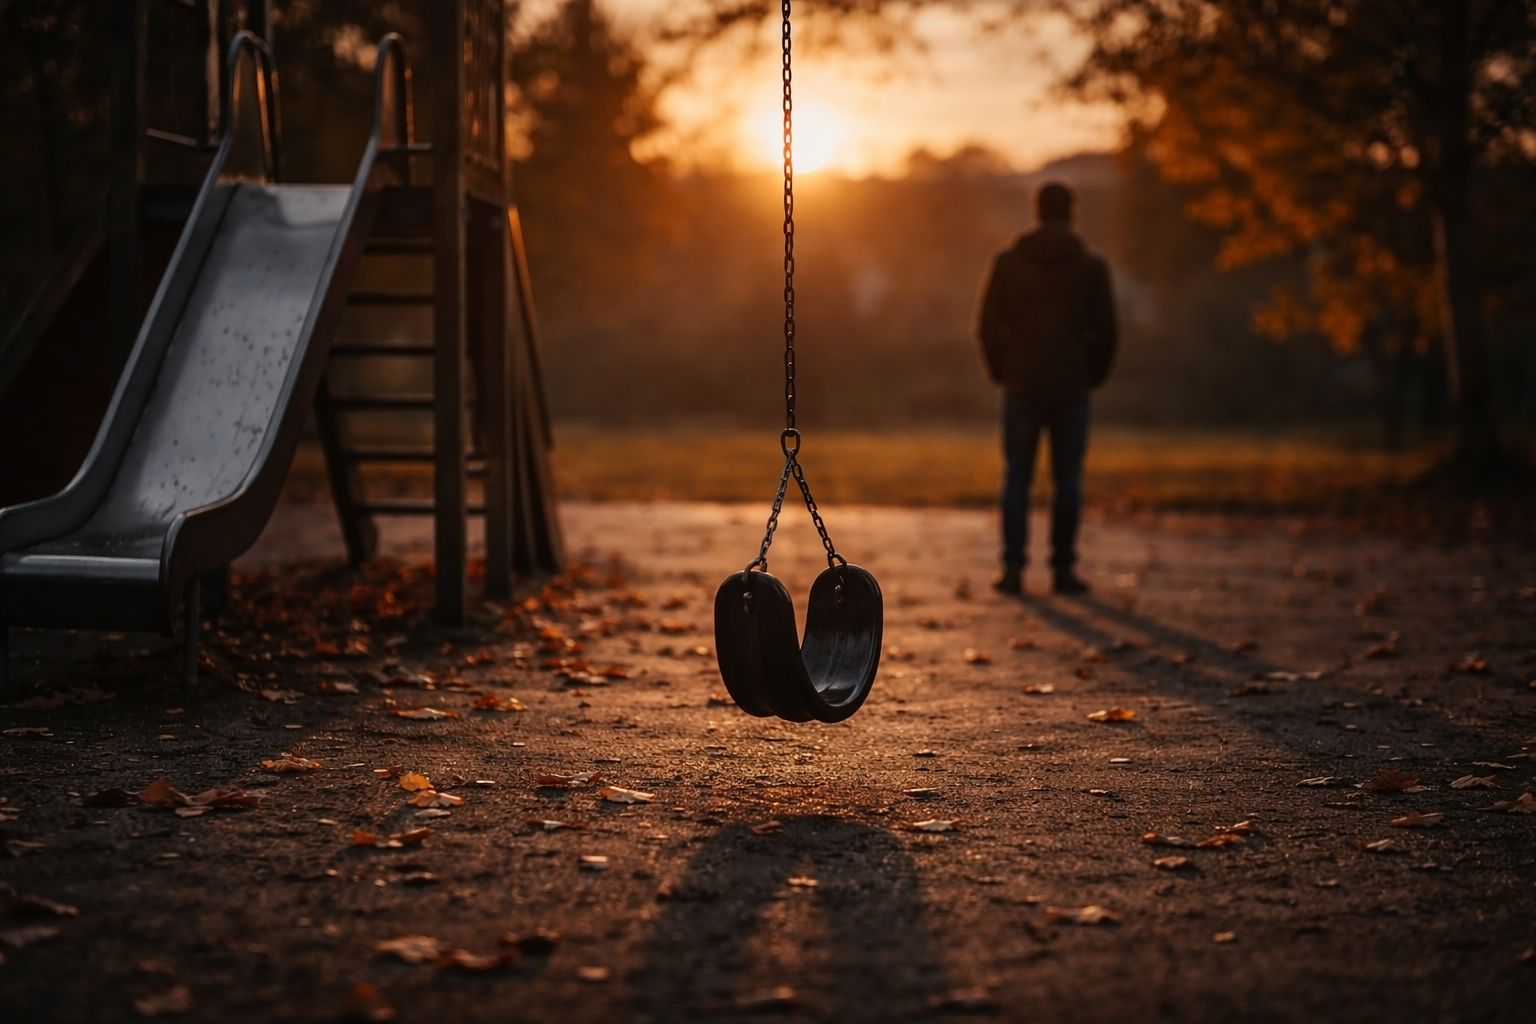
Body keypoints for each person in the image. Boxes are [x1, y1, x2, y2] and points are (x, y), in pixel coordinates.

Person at [975, 181, 1117, 596]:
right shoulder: (1091, 265)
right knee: (1068, 478)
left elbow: (986, 326)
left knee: (1016, 477)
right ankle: (1063, 570)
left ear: (1036, 210)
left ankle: (1013, 568)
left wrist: (1001, 372)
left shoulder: (1006, 262)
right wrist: (1091, 376)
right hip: (1071, 385)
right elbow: (1106, 333)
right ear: (1071, 212)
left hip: (1021, 382)